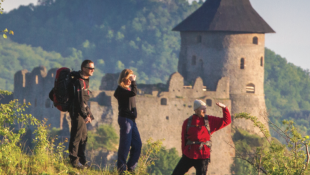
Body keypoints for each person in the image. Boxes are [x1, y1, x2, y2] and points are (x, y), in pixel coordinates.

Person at [172, 100, 231, 175]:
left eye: (205, 109)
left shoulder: (209, 120)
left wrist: (224, 108)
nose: (204, 111)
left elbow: (227, 121)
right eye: (202, 109)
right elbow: (183, 139)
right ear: (196, 110)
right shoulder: (187, 122)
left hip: (203, 155)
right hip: (189, 154)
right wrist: (184, 153)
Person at [114, 69, 142, 173]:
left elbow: (132, 93)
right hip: (125, 120)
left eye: (132, 78)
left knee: (137, 145)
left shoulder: (127, 90)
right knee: (125, 145)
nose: (131, 80)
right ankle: (121, 169)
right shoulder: (121, 90)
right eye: (129, 78)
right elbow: (134, 92)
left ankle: (130, 167)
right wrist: (134, 82)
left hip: (131, 120)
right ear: (124, 78)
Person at [68, 60, 95, 169]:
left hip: (81, 112)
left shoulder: (85, 80)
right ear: (83, 68)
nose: (92, 70)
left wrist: (89, 114)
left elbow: (84, 100)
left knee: (84, 137)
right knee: (76, 136)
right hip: (77, 113)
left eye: (93, 68)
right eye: (90, 68)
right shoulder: (79, 81)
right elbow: (79, 102)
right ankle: (74, 161)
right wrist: (85, 115)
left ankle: (82, 161)